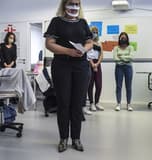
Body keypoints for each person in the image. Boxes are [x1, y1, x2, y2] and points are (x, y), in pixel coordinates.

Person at [44, 0, 93, 152]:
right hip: (62, 66)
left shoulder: (83, 22)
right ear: (64, 5)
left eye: (77, 4)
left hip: (81, 66)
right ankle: (63, 138)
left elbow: (90, 42)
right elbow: (49, 43)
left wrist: (84, 49)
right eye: (71, 3)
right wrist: (68, 51)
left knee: (77, 104)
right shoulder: (56, 21)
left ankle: (76, 138)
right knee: (64, 103)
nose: (74, 7)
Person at [113, 32, 135, 111]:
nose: (123, 39)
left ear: (127, 39)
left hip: (128, 68)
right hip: (119, 68)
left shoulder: (131, 47)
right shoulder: (116, 48)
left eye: (124, 38)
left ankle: (128, 104)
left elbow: (131, 57)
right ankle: (118, 104)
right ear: (119, 39)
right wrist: (126, 58)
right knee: (118, 86)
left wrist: (121, 56)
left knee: (128, 87)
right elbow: (115, 58)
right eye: (121, 38)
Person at [87, 26, 104, 112]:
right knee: (90, 85)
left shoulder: (99, 43)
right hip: (90, 64)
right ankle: (91, 103)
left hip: (98, 64)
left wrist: (97, 64)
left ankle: (97, 102)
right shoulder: (88, 42)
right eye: (93, 31)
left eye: (96, 31)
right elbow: (87, 54)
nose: (95, 33)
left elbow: (101, 55)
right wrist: (92, 64)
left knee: (99, 85)